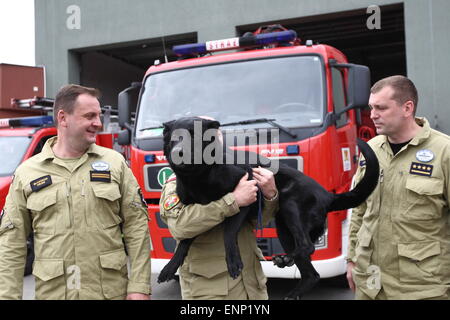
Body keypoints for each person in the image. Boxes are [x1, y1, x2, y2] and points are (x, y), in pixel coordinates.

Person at [0, 84, 151, 300]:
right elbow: (11, 244)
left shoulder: (114, 163)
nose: (98, 123)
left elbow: (137, 227)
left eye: (98, 116)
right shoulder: (27, 173)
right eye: (89, 116)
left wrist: (139, 286)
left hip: (108, 294)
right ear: (63, 118)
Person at [346, 75, 450, 300]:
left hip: (422, 287)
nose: (373, 115)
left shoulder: (444, 152)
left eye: (381, 108)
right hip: (370, 283)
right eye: (371, 107)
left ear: (407, 108)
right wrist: (352, 259)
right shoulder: (370, 150)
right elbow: (359, 209)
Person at [160, 166, 278, 300]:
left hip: (253, 289)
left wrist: (270, 195)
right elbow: (180, 226)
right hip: (210, 292)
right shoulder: (184, 176)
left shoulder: (236, 170)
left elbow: (259, 222)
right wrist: (233, 201)